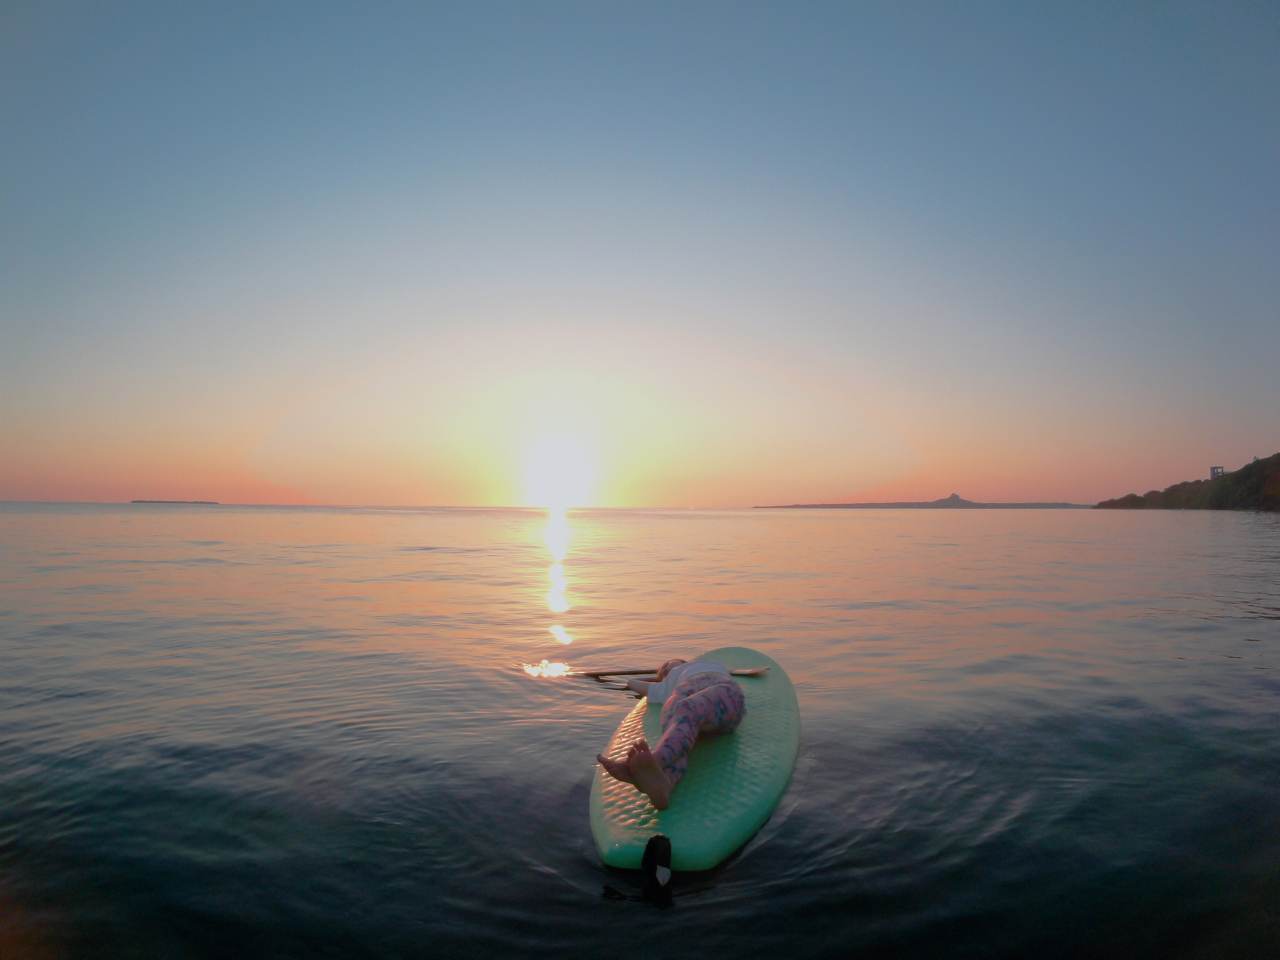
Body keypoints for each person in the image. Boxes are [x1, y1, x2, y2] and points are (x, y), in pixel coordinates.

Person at [596, 658, 745, 810]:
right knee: (673, 724)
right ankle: (664, 782)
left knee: (686, 707)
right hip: (684, 701)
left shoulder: (707, 663)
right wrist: (659, 678)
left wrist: (661, 675)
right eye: (662, 669)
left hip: (722, 693)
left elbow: (632, 682)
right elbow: (631, 682)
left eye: (668, 664)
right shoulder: (664, 686)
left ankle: (657, 761)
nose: (667, 667)